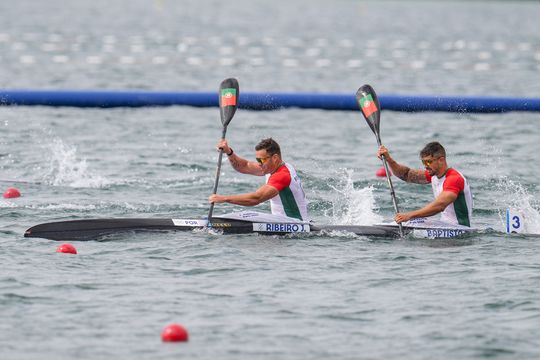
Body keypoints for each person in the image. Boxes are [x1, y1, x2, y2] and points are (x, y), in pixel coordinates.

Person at [208, 138, 308, 221]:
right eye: (257, 160)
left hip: (294, 224)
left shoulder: (282, 175)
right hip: (283, 223)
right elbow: (244, 166)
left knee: (247, 215)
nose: (259, 163)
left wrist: (224, 199)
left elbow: (256, 198)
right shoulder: (274, 167)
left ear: (275, 158)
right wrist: (229, 152)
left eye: (262, 160)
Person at [377, 141, 473, 227]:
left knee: (412, 220)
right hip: (445, 225)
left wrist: (409, 215)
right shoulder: (434, 175)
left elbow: (440, 205)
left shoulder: (454, 179)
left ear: (441, 160)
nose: (425, 166)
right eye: (423, 162)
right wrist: (389, 159)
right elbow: (406, 175)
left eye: (428, 162)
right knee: (414, 221)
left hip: (459, 229)